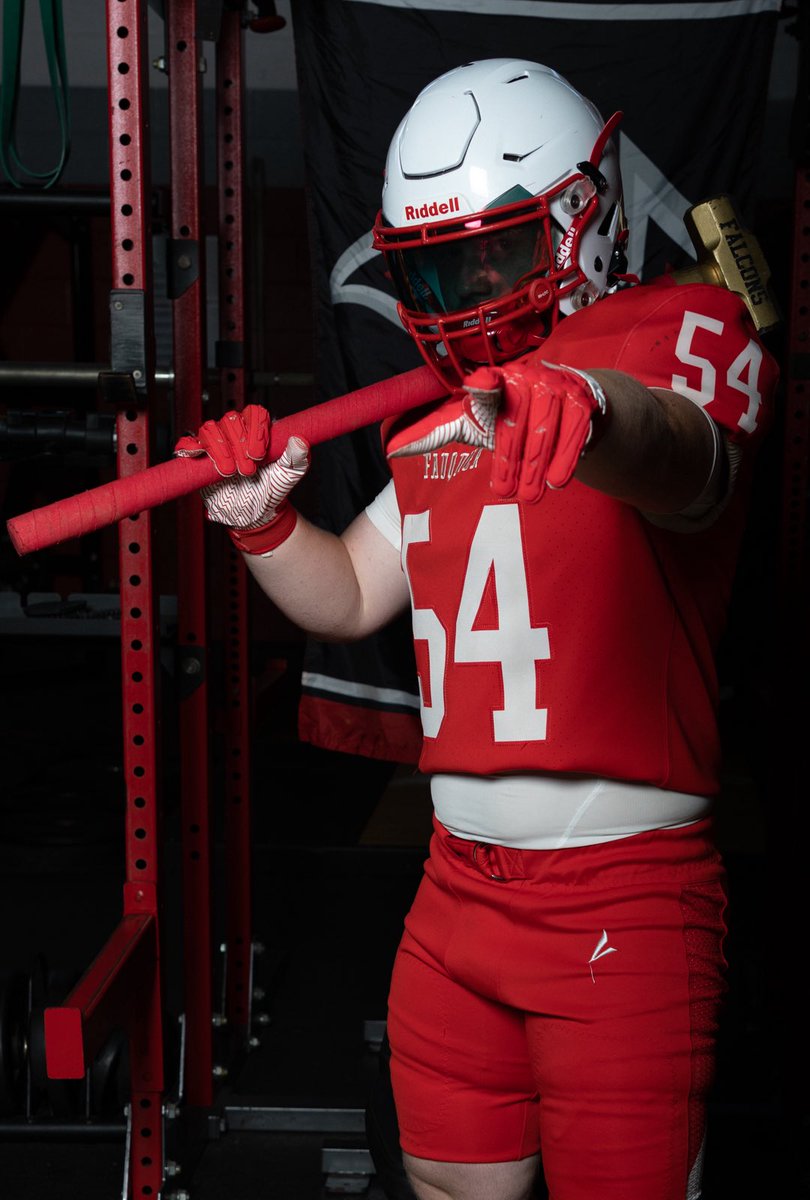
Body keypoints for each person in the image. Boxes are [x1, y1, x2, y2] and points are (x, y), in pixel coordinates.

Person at [176, 60, 778, 1200]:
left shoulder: (671, 340)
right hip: (455, 889)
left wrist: (594, 408)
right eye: (438, 270)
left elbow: (685, 459)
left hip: (621, 891)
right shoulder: (445, 424)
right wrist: (264, 529)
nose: (468, 295)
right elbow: (352, 593)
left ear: (581, 216)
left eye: (495, 254)